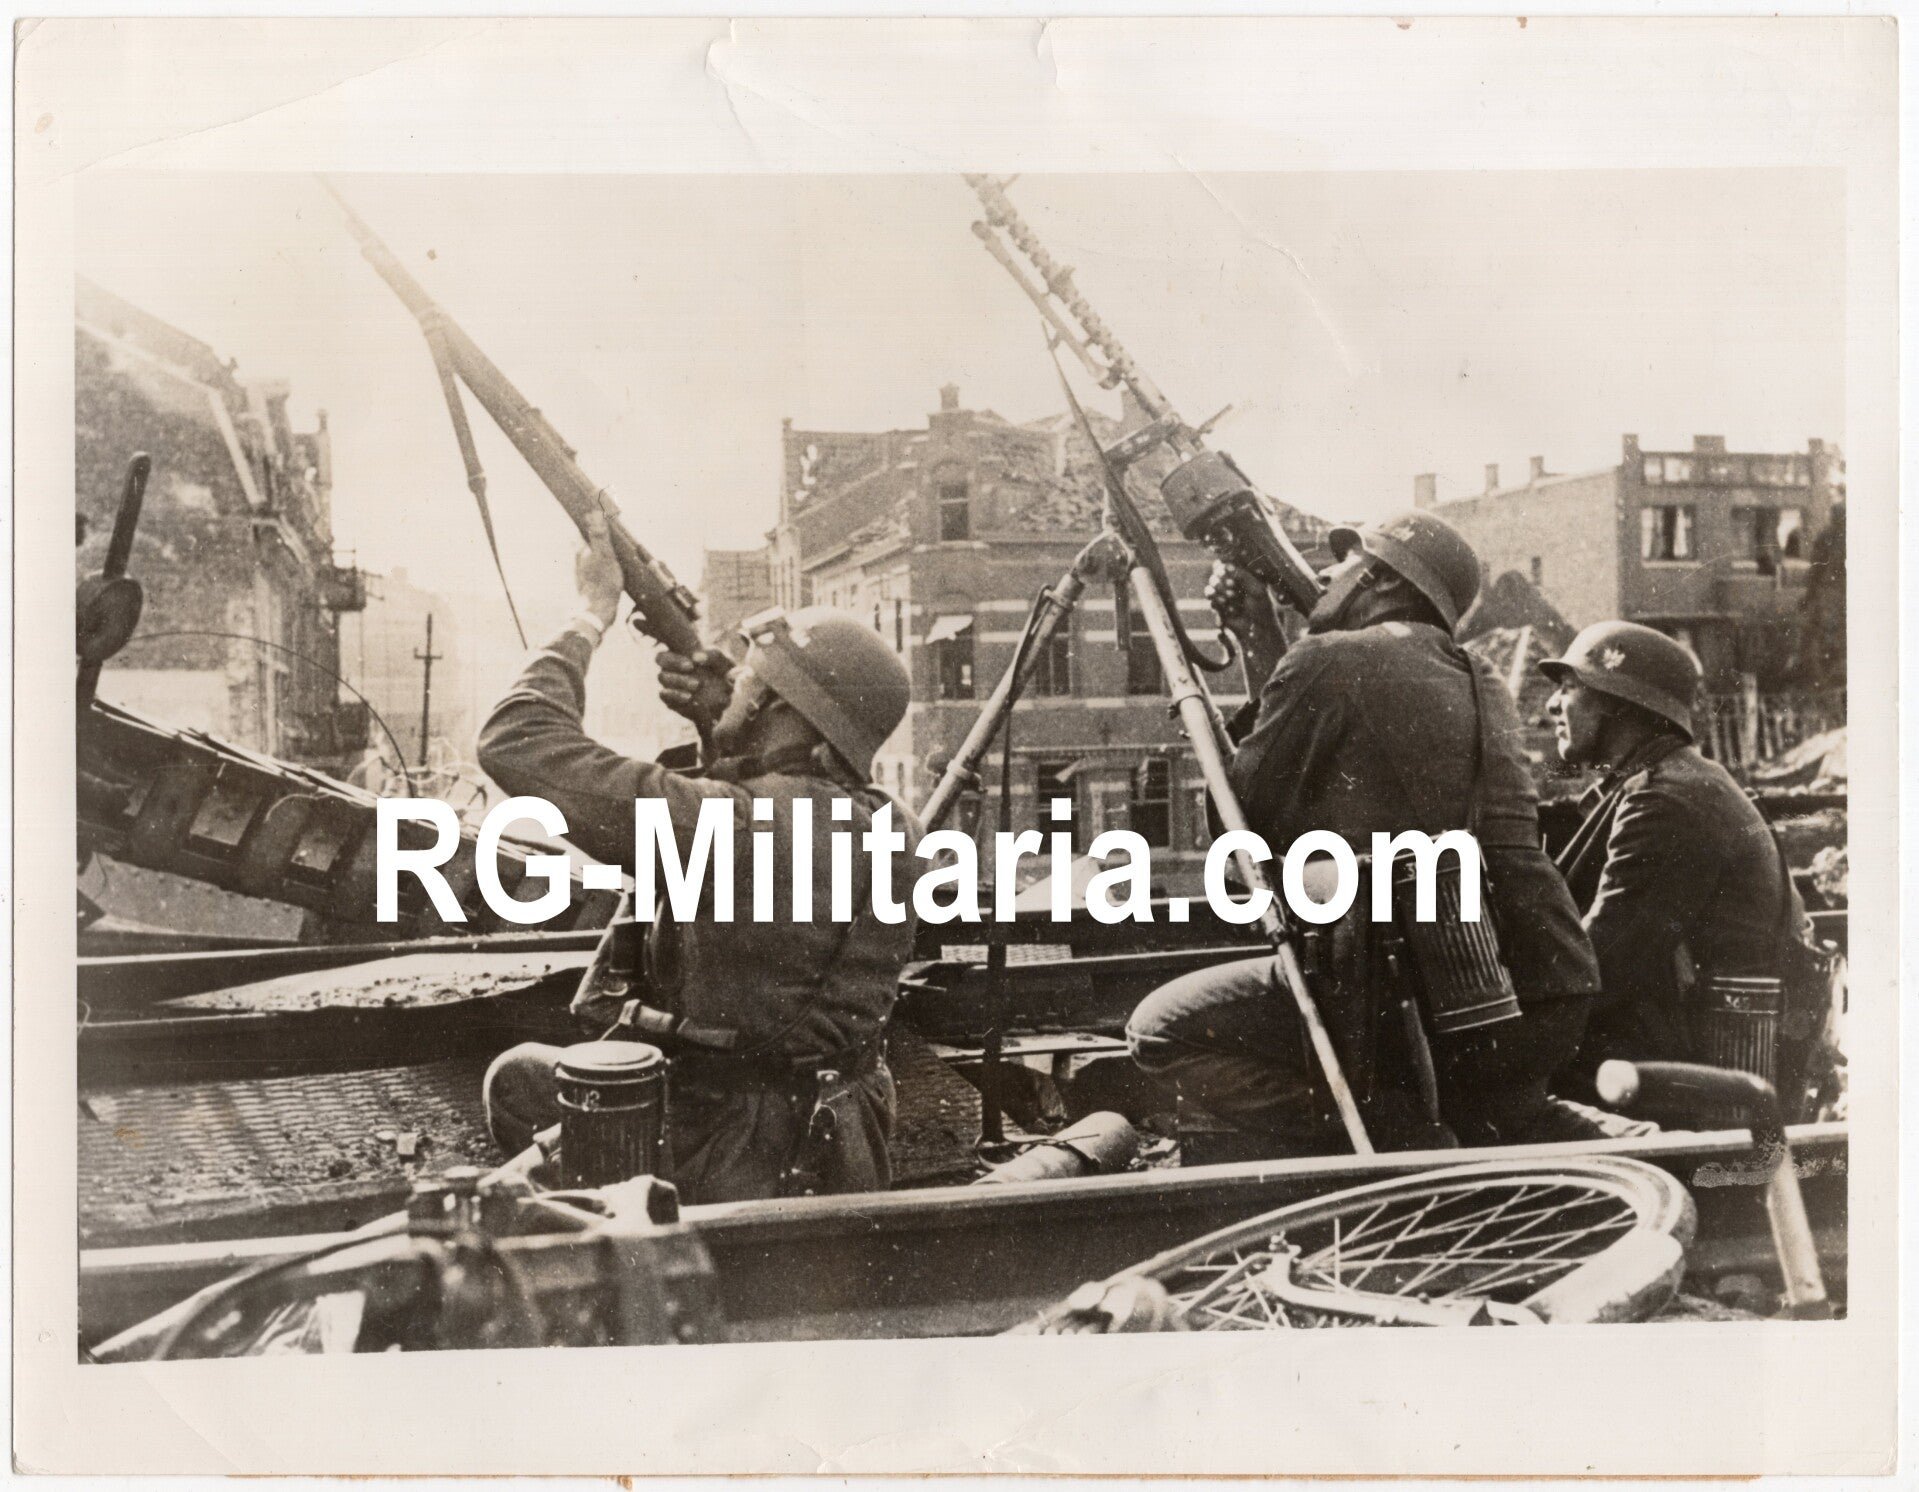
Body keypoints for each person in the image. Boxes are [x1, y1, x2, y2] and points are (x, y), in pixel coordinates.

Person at [1126, 510, 1605, 1153]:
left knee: (1158, 1029)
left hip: (1411, 990)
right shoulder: (1478, 674)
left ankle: (1391, 1137)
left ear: (1381, 580)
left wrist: (1219, 711)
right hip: (1535, 990)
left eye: (1346, 563)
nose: (1324, 573)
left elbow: (1242, 831)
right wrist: (1264, 637)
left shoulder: (1328, 659)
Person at [476, 513, 917, 1203]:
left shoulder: (732, 824)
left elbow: (514, 739)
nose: (734, 679)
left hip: (727, 1145)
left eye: (751, 679)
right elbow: (771, 845)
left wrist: (587, 615)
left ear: (776, 705)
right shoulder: (893, 822)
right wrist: (726, 730)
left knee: (495, 1207)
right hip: (837, 1131)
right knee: (520, 1078)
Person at [1541, 620, 1806, 1082]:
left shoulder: (1666, 800)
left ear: (1621, 705)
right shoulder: (1677, 780)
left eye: (1568, 687)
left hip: (1707, 1089)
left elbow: (1600, 967)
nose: (1552, 704)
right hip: (1702, 1055)